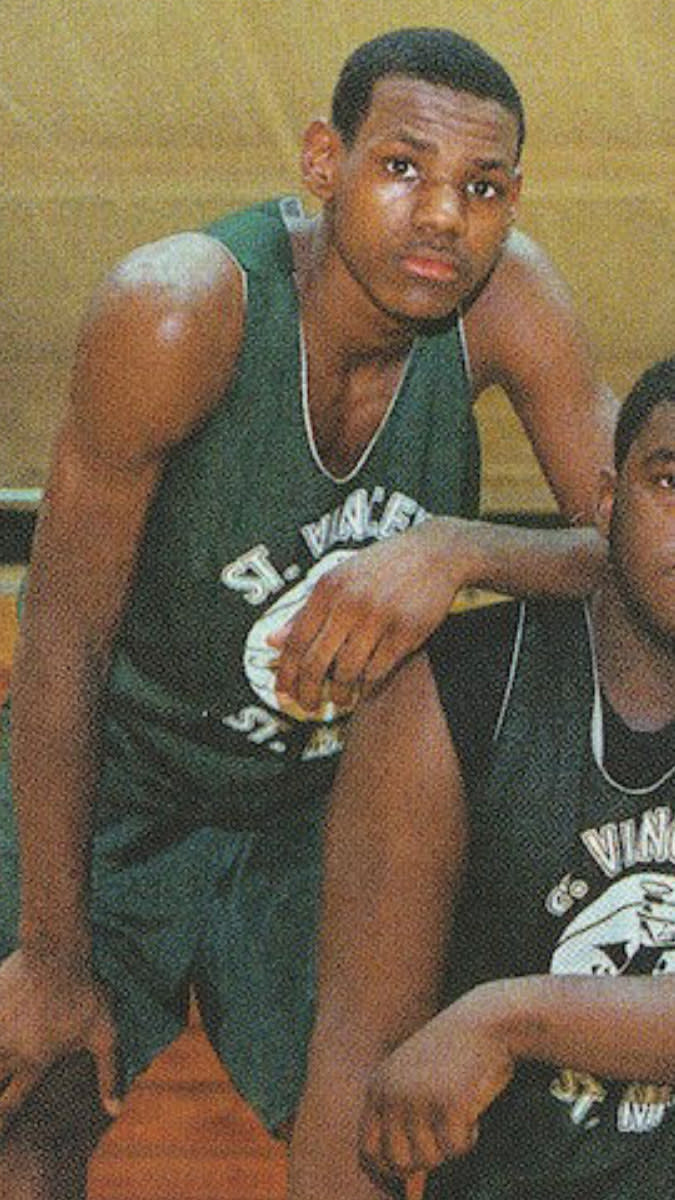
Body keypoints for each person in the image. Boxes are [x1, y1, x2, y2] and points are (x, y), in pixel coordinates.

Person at [0, 26, 616, 1196]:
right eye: (403, 169)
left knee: (376, 1146)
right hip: (114, 783)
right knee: (29, 1131)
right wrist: (51, 947)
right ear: (324, 162)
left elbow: (641, 557)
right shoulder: (178, 312)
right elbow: (64, 638)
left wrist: (455, 549)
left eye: (480, 188)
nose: (444, 215)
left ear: (512, 200)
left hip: (320, 811)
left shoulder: (509, 303)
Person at [289, 357, 675, 1200]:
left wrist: (509, 1018)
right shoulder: (453, 694)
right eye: (671, 481)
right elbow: (356, 1062)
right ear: (606, 503)